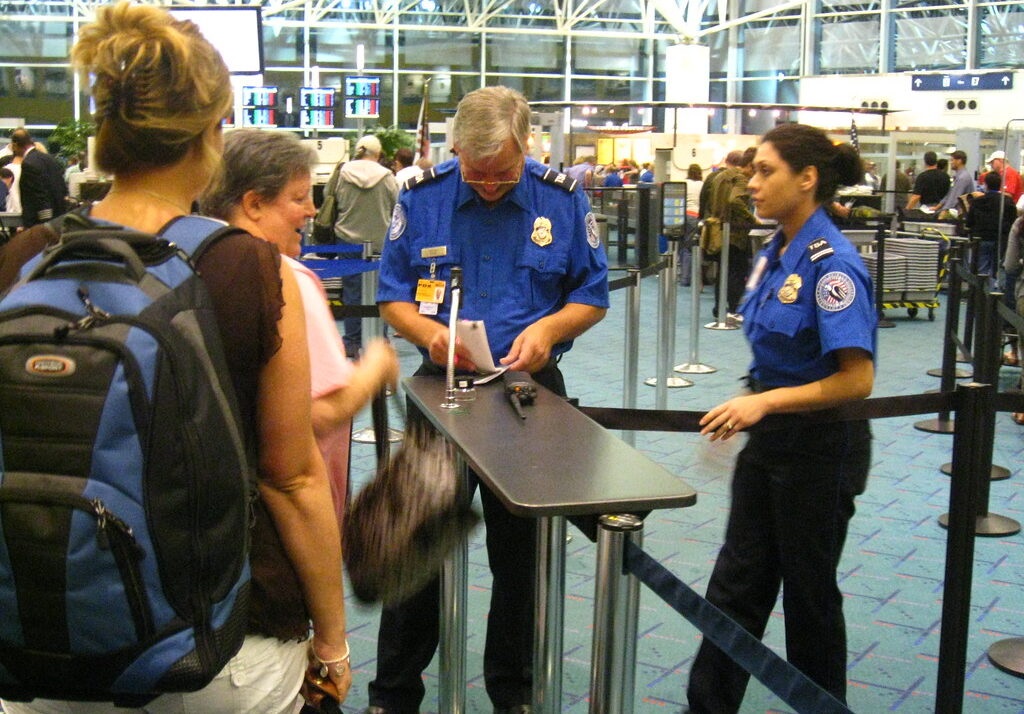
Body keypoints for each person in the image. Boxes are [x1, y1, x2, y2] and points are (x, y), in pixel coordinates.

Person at [0, 3, 351, 711]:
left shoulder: (25, 259)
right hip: (221, 643)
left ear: (105, 131)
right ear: (213, 133)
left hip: (40, 629)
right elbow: (291, 479)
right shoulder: (253, 269)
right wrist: (333, 640)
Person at [370, 85, 609, 714]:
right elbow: (392, 294)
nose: (489, 186)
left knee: (521, 559)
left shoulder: (560, 199)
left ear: (526, 146)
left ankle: (515, 693)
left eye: (502, 173)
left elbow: (592, 293)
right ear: (454, 152)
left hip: (529, 396)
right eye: (475, 174)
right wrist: (428, 333)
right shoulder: (421, 198)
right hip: (439, 392)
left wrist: (549, 330)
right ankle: (392, 694)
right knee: (414, 549)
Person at [687, 122, 876, 714]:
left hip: (821, 447)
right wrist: (758, 403)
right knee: (736, 584)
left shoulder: (833, 264)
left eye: (767, 171)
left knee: (809, 596)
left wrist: (764, 403)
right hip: (768, 435)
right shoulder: (777, 251)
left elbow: (857, 380)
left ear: (808, 178)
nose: (753, 181)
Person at [201, 128, 399, 525]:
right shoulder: (287, 279)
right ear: (254, 203)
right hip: (290, 515)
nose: (311, 210)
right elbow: (319, 413)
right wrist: (375, 367)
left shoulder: (193, 263)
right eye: (297, 198)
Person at [333, 134, 399, 356]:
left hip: (347, 239)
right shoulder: (387, 176)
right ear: (378, 154)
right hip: (380, 241)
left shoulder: (343, 172)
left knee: (352, 292)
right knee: (381, 292)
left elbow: (331, 198)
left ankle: (351, 341)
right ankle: (378, 340)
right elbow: (396, 204)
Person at [705, 146, 757, 323]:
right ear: (750, 165)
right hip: (734, 232)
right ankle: (734, 309)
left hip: (718, 229)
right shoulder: (741, 179)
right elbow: (735, 200)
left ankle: (719, 307)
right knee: (736, 271)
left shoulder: (720, 175)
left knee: (723, 271)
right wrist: (752, 219)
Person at [965, 171, 1017, 290]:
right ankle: (994, 298)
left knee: (981, 270)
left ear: (986, 184)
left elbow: (969, 222)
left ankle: (979, 296)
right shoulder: (1007, 202)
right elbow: (1012, 222)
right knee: (997, 270)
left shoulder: (977, 202)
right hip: (1000, 240)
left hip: (981, 239)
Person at [9, 128, 67, 229]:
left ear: (15, 145)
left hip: (39, 224)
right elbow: (62, 188)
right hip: (59, 217)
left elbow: (40, 196)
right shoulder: (49, 159)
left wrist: (44, 225)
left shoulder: (28, 164)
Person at [680, 162, 704, 286]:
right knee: (691, 247)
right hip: (695, 216)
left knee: (683, 246)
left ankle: (683, 276)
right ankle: (688, 278)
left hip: (683, 215)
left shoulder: (684, 183)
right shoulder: (702, 185)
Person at [935, 149, 975, 214]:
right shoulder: (957, 176)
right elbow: (950, 195)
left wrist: (943, 212)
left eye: (952, 160)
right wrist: (937, 207)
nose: (951, 162)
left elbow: (954, 199)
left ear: (959, 161)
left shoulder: (962, 178)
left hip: (959, 214)